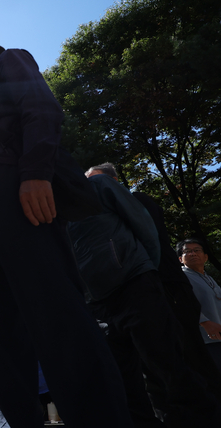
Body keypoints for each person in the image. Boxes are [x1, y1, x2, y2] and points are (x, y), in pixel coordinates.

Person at [0, 34, 133, 428]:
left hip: (14, 188)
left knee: (56, 312)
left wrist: (35, 173)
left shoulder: (9, 63)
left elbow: (41, 110)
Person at [68, 167, 220, 427]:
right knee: (128, 380)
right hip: (97, 304)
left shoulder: (99, 187)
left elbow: (144, 226)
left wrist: (143, 270)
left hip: (135, 285)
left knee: (168, 365)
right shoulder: (51, 211)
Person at [178, 238, 221, 373]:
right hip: (202, 340)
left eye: (197, 250)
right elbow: (180, 302)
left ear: (206, 257)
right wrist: (204, 322)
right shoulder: (181, 277)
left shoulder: (209, 278)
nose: (193, 254)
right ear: (180, 259)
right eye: (187, 251)